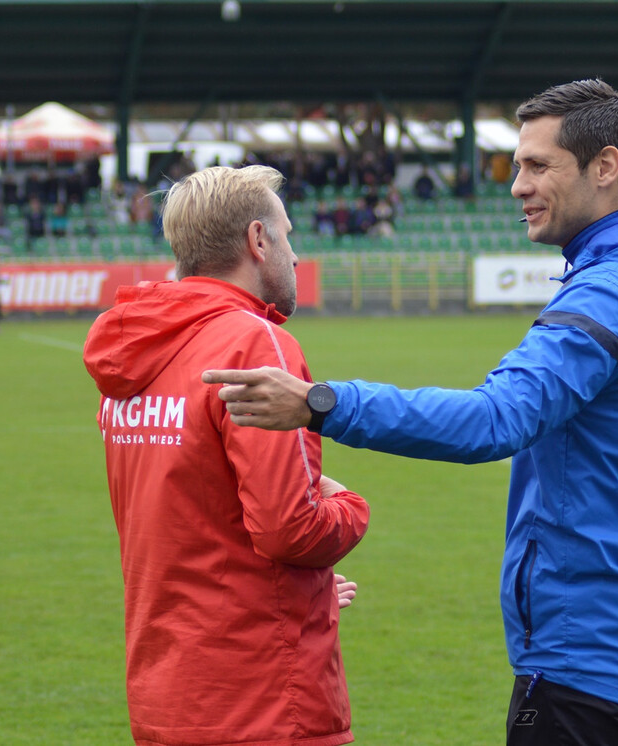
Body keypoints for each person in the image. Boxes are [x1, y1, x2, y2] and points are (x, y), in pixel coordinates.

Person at [204, 79, 618, 746]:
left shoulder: (611, 296)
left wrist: (322, 403)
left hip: (582, 661)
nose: (517, 185)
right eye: (518, 165)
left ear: (605, 168)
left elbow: (494, 420)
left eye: (538, 166)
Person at [82, 165, 370, 746]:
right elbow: (291, 531)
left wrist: (302, 591)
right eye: (289, 235)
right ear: (258, 240)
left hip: (171, 693)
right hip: (263, 699)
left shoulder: (133, 349)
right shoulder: (254, 343)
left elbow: (195, 519)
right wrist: (349, 504)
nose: (295, 254)